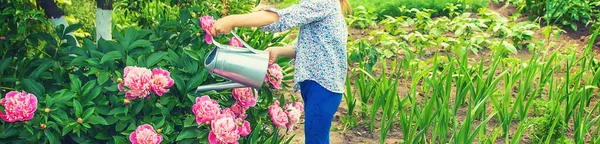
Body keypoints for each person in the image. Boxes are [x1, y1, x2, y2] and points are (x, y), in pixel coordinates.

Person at [209, 0, 351, 143]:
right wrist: (279, 50)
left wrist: (232, 20)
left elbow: (282, 17)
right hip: (318, 86)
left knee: (316, 140)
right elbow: (312, 46)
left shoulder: (323, 2)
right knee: (317, 137)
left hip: (323, 88)